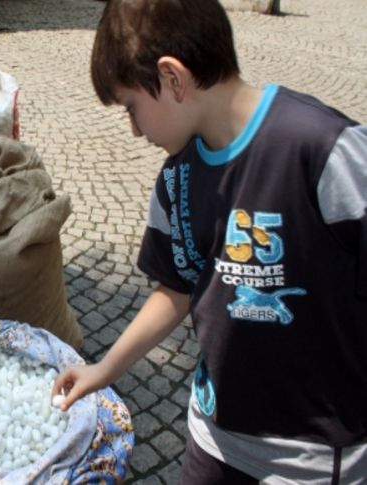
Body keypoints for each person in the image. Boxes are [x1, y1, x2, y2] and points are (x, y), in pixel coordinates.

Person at [51, 0, 367, 483]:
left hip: (314, 460)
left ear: (173, 78)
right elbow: (175, 290)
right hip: (213, 438)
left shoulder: (321, 150)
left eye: (132, 108)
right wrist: (104, 369)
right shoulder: (176, 179)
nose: (134, 130)